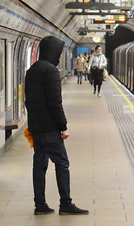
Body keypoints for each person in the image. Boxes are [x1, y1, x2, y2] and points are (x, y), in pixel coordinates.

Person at [24, 36, 88, 215]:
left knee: (39, 165)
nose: (59, 56)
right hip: (50, 128)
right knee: (62, 163)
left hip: (36, 127)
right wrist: (63, 125)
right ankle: (65, 203)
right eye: (58, 52)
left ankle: (40, 204)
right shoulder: (50, 71)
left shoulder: (32, 70)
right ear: (52, 52)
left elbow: (29, 101)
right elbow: (55, 102)